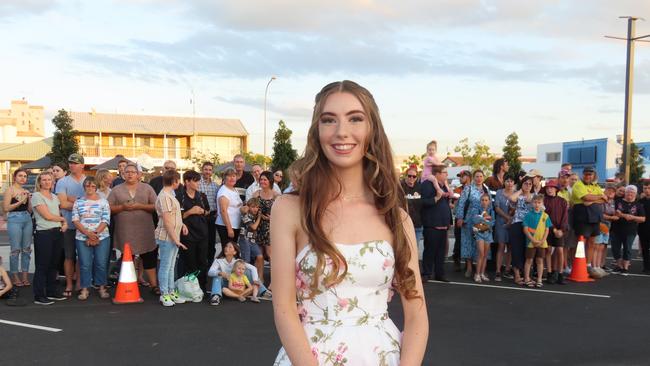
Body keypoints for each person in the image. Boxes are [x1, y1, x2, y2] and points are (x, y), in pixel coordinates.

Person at [272, 81, 427, 365]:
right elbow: (283, 307)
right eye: (329, 120)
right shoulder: (289, 209)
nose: (341, 131)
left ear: (372, 130)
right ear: (317, 132)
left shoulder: (396, 218)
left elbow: (417, 314)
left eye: (355, 118)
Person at [107, 163, 160, 295]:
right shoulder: (116, 190)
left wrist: (140, 206)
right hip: (125, 230)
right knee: (127, 258)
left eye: (132, 172)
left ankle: (154, 285)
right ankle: (127, 284)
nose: (130, 174)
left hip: (145, 230)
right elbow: (108, 208)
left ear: (138, 175)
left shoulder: (147, 188)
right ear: (123, 174)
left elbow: (156, 206)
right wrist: (122, 208)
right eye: (127, 172)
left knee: (149, 257)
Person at [71, 177, 111, 300]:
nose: (90, 188)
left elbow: (106, 219)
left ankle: (102, 287)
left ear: (97, 187)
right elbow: (75, 220)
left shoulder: (104, 201)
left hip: (102, 236)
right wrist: (88, 234)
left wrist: (95, 233)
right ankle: (84, 288)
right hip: (82, 237)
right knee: (85, 264)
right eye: (88, 186)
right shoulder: (78, 202)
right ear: (84, 187)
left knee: (101, 263)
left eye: (93, 186)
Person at [31, 172, 67, 305]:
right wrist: (63, 219)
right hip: (43, 233)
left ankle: (51, 291)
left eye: (49, 180)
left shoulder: (54, 196)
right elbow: (47, 216)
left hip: (57, 233)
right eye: (44, 180)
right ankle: (39, 295)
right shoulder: (36, 196)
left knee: (54, 264)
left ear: (53, 182)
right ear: (40, 182)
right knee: (42, 265)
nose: (47, 182)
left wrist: (65, 223)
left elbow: (58, 212)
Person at [155, 170, 188, 306]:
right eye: (178, 181)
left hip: (173, 236)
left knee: (171, 266)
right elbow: (167, 221)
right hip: (167, 237)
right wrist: (176, 239)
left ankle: (170, 291)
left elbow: (173, 217)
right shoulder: (164, 197)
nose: (179, 183)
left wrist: (182, 225)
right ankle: (164, 294)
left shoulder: (169, 195)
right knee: (166, 266)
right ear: (174, 181)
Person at [55, 153, 86, 297]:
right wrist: (81, 202)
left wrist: (72, 200)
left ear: (82, 165)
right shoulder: (62, 181)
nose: (72, 165)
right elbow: (62, 204)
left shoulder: (88, 180)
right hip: (69, 225)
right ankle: (68, 283)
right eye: (70, 163)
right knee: (69, 256)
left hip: (85, 226)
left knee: (82, 256)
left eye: (75, 163)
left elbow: (93, 202)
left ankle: (79, 282)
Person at [207, 241, 270, 305]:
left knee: (247, 271)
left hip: (237, 284)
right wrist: (220, 273)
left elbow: (253, 268)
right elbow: (210, 272)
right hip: (224, 285)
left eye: (230, 247)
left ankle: (263, 292)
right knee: (216, 276)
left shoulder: (238, 261)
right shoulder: (218, 261)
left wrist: (255, 280)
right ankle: (216, 296)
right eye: (226, 246)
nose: (226, 248)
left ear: (234, 252)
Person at [178, 170, 210, 290]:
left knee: (202, 261)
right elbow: (177, 217)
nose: (198, 184)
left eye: (199, 181)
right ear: (187, 181)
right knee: (190, 261)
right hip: (187, 234)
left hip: (202, 233)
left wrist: (202, 211)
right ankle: (190, 287)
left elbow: (208, 211)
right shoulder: (179, 196)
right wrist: (190, 212)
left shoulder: (201, 196)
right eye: (195, 181)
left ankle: (202, 286)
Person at [570, 166, 606, 272]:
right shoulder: (578, 185)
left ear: (593, 175)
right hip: (582, 217)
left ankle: (588, 265)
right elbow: (586, 198)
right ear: (583, 174)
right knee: (581, 243)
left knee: (592, 242)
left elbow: (605, 198)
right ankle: (576, 266)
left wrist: (592, 200)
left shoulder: (595, 185)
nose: (588, 176)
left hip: (595, 218)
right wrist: (597, 197)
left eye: (590, 174)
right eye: (586, 174)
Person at [456, 170, 490, 278]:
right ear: (473, 178)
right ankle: (469, 267)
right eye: (477, 176)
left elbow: (490, 205)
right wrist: (460, 217)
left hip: (482, 220)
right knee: (468, 242)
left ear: (483, 177)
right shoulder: (468, 188)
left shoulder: (486, 189)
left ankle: (480, 269)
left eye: (481, 176)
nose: (479, 178)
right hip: (469, 219)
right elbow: (461, 203)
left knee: (480, 243)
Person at [420, 165, 451, 282]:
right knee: (430, 251)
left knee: (440, 252)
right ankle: (427, 273)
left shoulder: (444, 186)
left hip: (443, 224)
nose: (446, 175)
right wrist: (436, 198)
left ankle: (439, 273)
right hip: (432, 224)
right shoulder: (427, 185)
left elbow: (446, 204)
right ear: (437, 174)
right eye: (444, 172)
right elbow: (423, 202)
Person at [3, 168, 32, 287]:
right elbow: (6, 208)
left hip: (27, 219)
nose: (23, 178)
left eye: (25, 176)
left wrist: (29, 199)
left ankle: (25, 276)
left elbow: (29, 210)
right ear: (15, 177)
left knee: (26, 249)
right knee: (15, 249)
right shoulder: (10, 190)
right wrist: (21, 201)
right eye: (20, 175)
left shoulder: (25, 190)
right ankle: (15, 276)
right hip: (14, 219)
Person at [611, 185, 645, 276]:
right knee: (615, 249)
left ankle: (625, 268)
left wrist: (632, 217)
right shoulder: (617, 202)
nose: (630, 194)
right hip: (616, 229)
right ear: (625, 193)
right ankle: (619, 266)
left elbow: (643, 219)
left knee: (627, 249)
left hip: (630, 230)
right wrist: (623, 215)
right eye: (628, 192)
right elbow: (613, 213)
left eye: (632, 192)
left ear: (635, 194)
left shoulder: (638, 205)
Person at [508, 176, 534, 285]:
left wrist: (530, 197)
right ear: (521, 184)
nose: (528, 186)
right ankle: (517, 275)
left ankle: (526, 274)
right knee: (516, 249)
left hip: (530, 226)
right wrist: (520, 190)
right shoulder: (518, 195)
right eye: (525, 183)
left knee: (527, 250)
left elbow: (541, 207)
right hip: (517, 224)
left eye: (530, 184)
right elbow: (511, 199)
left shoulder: (535, 196)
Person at [522, 194, 552, 288]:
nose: (537, 204)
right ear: (532, 203)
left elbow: (547, 229)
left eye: (539, 202)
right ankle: (526, 278)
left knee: (540, 260)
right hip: (531, 242)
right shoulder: (528, 215)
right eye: (535, 202)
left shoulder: (545, 216)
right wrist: (532, 239)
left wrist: (543, 240)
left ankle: (539, 279)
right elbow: (525, 229)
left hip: (541, 243)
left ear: (542, 203)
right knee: (529, 260)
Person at [253, 171, 280, 269]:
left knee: (270, 254)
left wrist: (272, 217)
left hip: (270, 228)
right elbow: (251, 209)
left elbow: (281, 213)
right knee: (258, 255)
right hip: (258, 227)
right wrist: (259, 214)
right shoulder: (256, 194)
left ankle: (275, 279)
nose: (262, 182)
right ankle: (259, 280)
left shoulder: (276, 195)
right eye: (261, 179)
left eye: (265, 180)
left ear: (270, 181)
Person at [543, 179, 568, 285]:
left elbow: (565, 217)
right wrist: (553, 229)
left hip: (560, 230)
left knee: (560, 250)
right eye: (548, 188)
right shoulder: (544, 201)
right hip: (548, 229)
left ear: (556, 189)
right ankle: (549, 272)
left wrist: (561, 230)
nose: (549, 190)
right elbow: (544, 216)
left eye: (552, 188)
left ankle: (560, 274)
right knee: (548, 250)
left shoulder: (562, 201)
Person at [493, 174, 515, 281]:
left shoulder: (516, 194)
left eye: (511, 181)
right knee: (501, 246)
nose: (509, 183)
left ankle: (507, 270)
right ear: (504, 182)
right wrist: (507, 218)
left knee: (510, 247)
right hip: (501, 222)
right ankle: (498, 271)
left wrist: (512, 218)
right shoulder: (499, 193)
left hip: (513, 223)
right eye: (507, 181)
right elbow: (497, 208)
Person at [216, 167, 245, 249]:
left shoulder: (234, 189)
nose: (232, 178)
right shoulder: (224, 191)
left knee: (233, 250)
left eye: (234, 176)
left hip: (235, 225)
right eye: (229, 176)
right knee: (228, 250)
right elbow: (223, 211)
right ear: (224, 178)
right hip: (226, 226)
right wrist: (229, 229)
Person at [239, 197, 265, 283]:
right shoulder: (245, 215)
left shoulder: (256, 214)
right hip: (244, 240)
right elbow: (254, 227)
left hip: (252, 241)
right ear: (249, 207)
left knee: (260, 257)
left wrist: (261, 215)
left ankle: (260, 278)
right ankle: (244, 281)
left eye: (257, 207)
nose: (255, 209)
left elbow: (263, 216)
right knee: (246, 261)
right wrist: (259, 218)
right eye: (253, 207)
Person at [471, 193, 494, 283]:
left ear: (489, 201)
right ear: (480, 201)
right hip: (479, 234)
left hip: (488, 234)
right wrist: (486, 219)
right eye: (482, 200)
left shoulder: (491, 210)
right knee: (480, 253)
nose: (484, 202)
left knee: (485, 255)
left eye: (486, 200)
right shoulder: (476, 209)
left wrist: (482, 220)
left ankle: (482, 273)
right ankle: (477, 274)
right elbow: (475, 220)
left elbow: (493, 223)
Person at [198, 161, 219, 264]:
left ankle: (210, 263)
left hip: (212, 216)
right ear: (202, 170)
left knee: (211, 241)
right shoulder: (197, 184)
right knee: (202, 241)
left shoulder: (215, 186)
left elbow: (217, 201)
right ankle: (201, 262)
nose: (207, 172)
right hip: (200, 216)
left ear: (212, 172)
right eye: (206, 169)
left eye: (210, 170)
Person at [401, 167, 423, 260]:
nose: (411, 178)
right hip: (404, 224)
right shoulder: (400, 187)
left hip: (417, 224)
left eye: (414, 176)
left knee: (414, 248)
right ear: (406, 176)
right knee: (404, 248)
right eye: (409, 176)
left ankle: (414, 269)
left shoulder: (419, 187)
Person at [452, 170, 472, 271]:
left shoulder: (474, 189)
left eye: (462, 176)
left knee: (470, 241)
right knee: (459, 240)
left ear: (468, 177)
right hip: (459, 219)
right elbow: (454, 204)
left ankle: (469, 263)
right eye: (459, 176)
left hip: (471, 219)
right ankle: (457, 260)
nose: (460, 178)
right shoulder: (457, 190)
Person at [638, 181, 650, 274]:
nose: (647, 190)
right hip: (643, 229)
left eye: (649, 188)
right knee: (645, 249)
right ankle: (646, 267)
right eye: (645, 188)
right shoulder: (640, 201)